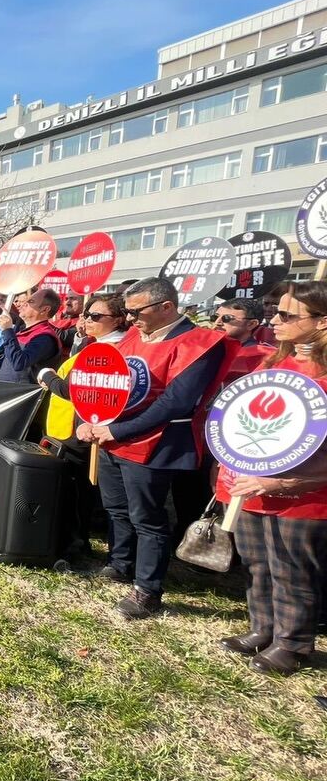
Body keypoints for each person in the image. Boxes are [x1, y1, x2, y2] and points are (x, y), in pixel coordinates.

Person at [77, 277, 234, 619]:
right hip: (112, 438)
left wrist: (114, 429)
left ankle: (148, 589)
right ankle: (120, 563)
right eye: (128, 311)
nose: (130, 318)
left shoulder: (202, 344)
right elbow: (105, 383)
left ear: (167, 307)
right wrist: (91, 418)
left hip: (154, 443)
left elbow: (176, 402)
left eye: (136, 311)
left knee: (147, 517)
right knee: (116, 508)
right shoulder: (134, 335)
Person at [216, 281, 327, 675]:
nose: (273, 320)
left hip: (303, 497)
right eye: (275, 312)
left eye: (287, 315)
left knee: (292, 570)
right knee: (257, 564)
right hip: (249, 487)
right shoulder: (272, 362)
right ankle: (262, 628)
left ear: (323, 322)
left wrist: (284, 483)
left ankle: (292, 643)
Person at [38, 293, 129, 553]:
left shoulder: (111, 349)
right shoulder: (95, 343)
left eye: (96, 316)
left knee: (81, 491)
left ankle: (77, 540)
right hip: (71, 425)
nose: (88, 320)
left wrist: (48, 376)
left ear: (119, 319)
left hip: (85, 430)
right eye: (87, 314)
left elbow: (77, 390)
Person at [0, 289, 63, 383]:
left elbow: (19, 363)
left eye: (31, 301)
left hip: (21, 394)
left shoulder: (45, 337)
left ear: (45, 309)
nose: (24, 304)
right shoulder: (22, 330)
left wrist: (8, 330)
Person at [214, 298, 276, 384]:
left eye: (227, 318)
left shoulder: (263, 357)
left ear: (251, 324)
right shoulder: (206, 348)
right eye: (215, 316)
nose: (217, 322)